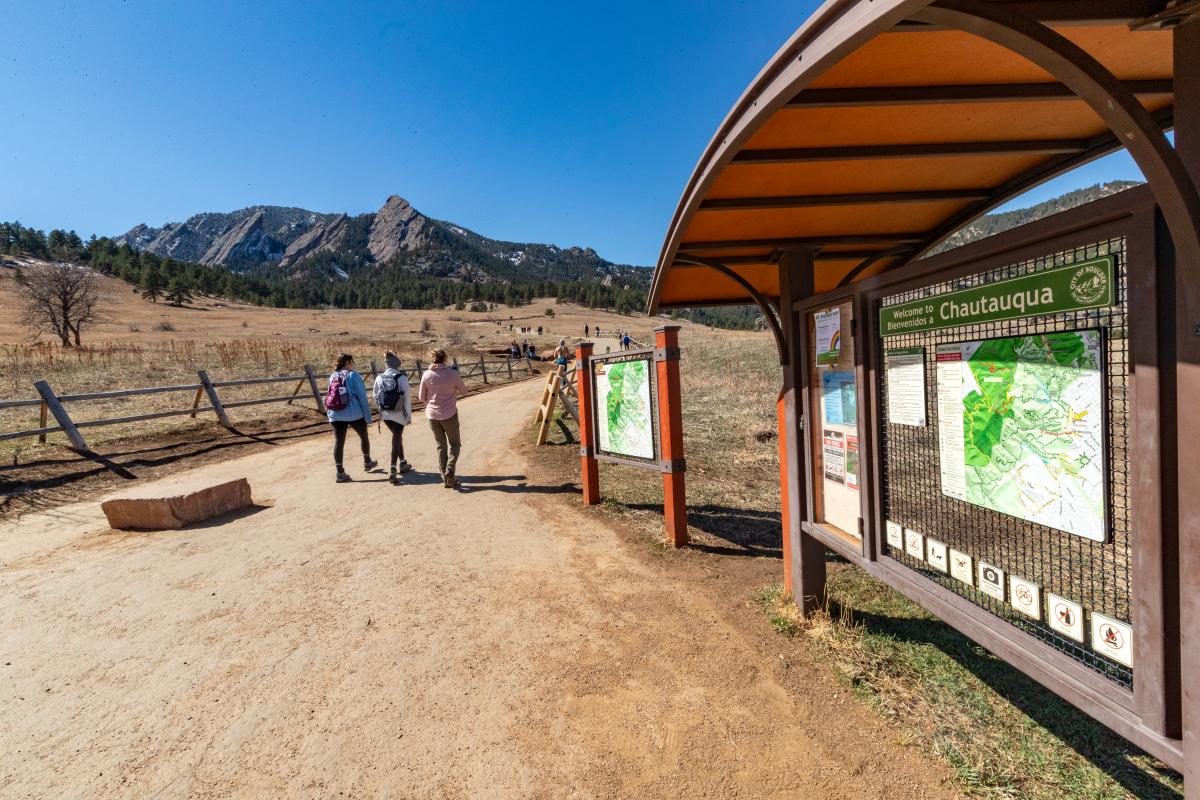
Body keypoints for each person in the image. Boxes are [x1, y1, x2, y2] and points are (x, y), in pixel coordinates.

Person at [418, 348, 469, 489]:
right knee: (455, 444)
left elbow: (421, 397)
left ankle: (445, 478)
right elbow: (465, 392)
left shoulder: (426, 375)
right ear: (445, 359)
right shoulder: (453, 374)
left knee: (441, 446)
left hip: (432, 416)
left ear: (432, 358)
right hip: (449, 414)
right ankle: (450, 470)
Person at [326, 353, 376, 483]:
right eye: (352, 361)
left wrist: (329, 414)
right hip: (354, 414)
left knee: (339, 442)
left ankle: (340, 472)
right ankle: (367, 461)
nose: (353, 364)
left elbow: (329, 395)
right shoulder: (353, 375)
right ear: (348, 362)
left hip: (336, 414)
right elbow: (362, 397)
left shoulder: (333, 375)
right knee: (364, 436)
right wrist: (368, 416)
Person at [372, 350, 413, 485]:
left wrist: (381, 410)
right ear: (397, 364)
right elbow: (407, 398)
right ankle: (393, 468)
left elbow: (375, 396)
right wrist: (408, 416)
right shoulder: (401, 378)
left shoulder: (379, 378)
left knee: (397, 436)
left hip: (385, 414)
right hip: (399, 413)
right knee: (396, 438)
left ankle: (403, 463)